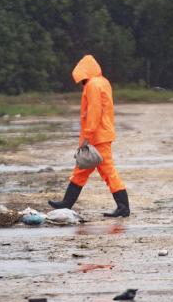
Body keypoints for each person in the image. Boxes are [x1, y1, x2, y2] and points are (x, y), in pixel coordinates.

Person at [49, 55, 130, 217]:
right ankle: (67, 203)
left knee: (108, 172)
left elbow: (94, 111)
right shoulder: (103, 82)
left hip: (97, 137)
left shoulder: (92, 85)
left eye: (81, 80)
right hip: (101, 134)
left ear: (84, 74)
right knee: (81, 170)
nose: (81, 83)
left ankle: (123, 207)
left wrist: (87, 135)